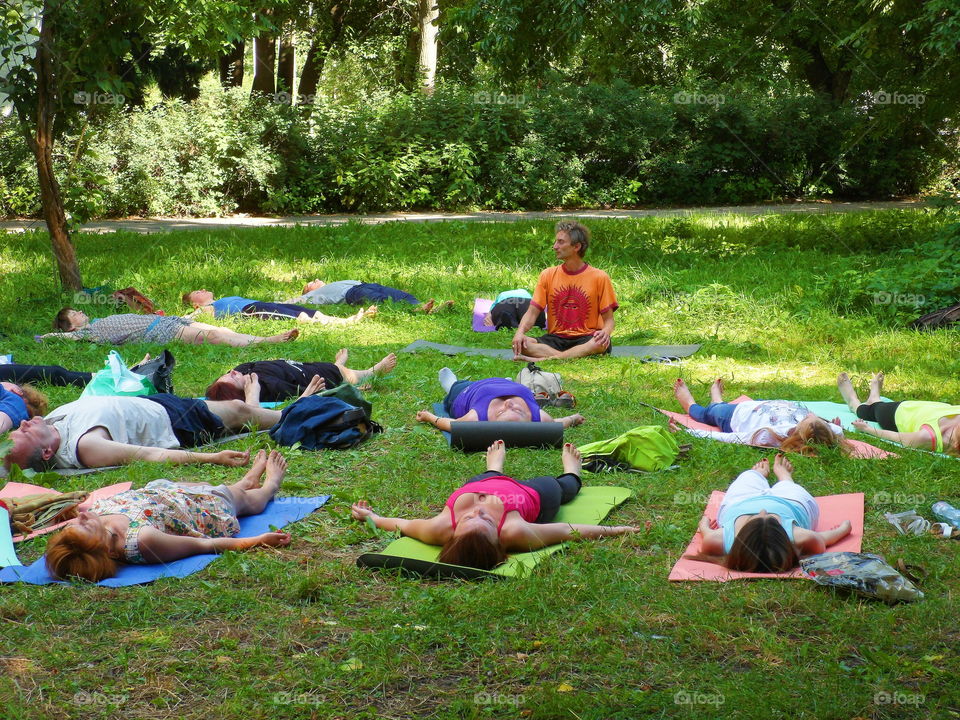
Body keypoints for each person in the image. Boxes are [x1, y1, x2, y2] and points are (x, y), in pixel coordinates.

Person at [351, 440, 640, 570]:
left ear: (453, 532)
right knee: (564, 489)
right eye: (486, 521)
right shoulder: (516, 532)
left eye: (469, 520)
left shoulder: (437, 529)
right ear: (499, 537)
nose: (478, 512)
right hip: (532, 495)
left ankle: (494, 467)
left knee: (483, 481)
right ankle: (572, 471)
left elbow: (399, 524)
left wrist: (370, 515)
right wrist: (617, 529)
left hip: (484, 483)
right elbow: (569, 529)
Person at [44, 449, 292, 582]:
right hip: (202, 510)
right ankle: (269, 484)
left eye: (74, 524)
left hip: (166, 494)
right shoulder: (142, 540)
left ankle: (246, 480)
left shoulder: (91, 528)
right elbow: (203, 545)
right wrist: (257, 540)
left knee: (214, 486)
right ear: (107, 551)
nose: (82, 518)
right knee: (243, 500)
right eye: (84, 526)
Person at [2, 374, 321, 471]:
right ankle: (294, 410)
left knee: (240, 411)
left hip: (155, 404)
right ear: (46, 453)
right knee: (238, 411)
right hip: (176, 422)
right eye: (23, 434)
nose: (23, 426)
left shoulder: (53, 421)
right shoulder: (86, 446)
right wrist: (212, 457)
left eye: (19, 427)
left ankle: (266, 406)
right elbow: (151, 455)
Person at [691, 454, 852, 572]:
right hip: (790, 503)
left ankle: (757, 475)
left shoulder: (716, 541)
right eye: (770, 517)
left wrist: (703, 524)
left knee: (746, 477)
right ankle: (785, 477)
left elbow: (705, 529)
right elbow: (825, 538)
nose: (763, 510)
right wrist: (844, 528)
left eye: (756, 517)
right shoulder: (803, 538)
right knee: (789, 487)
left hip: (739, 503)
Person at [512, 221, 618, 360]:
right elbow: (532, 313)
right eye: (556, 242)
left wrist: (605, 332)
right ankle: (567, 356)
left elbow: (609, 320)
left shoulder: (599, 277)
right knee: (521, 344)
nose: (555, 246)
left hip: (587, 338)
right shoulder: (547, 275)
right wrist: (519, 332)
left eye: (561, 242)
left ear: (576, 246)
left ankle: (546, 358)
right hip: (555, 339)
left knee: (599, 343)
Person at [672, 377, 853, 456]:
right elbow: (835, 431)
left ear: (798, 431)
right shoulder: (831, 431)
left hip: (735, 416)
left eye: (807, 418)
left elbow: (729, 437)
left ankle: (690, 403)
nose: (810, 415)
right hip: (762, 405)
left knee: (708, 413)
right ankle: (717, 401)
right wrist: (834, 427)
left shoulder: (771, 434)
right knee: (719, 407)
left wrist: (690, 432)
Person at [414, 368, 584, 431]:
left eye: (502, 411)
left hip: (467, 392)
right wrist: (572, 419)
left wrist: (429, 417)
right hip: (501, 384)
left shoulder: (477, 416)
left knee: (455, 387)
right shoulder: (536, 415)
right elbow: (557, 423)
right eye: (517, 410)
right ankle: (505, 382)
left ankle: (451, 384)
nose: (510, 404)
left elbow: (452, 425)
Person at [205, 348, 398, 402]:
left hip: (299, 365)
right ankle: (371, 371)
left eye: (226, 374)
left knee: (335, 367)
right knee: (342, 373)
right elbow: (305, 392)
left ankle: (339, 363)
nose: (232, 372)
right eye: (232, 378)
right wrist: (343, 390)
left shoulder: (244, 372)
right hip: (316, 374)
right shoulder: (267, 388)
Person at [838, 371, 960, 454]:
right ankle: (874, 397)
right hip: (920, 407)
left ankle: (853, 402)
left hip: (897, 414)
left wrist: (867, 429)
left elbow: (897, 438)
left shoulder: (929, 438)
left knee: (872, 410)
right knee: (878, 404)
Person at [42, 308, 298, 347]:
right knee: (212, 335)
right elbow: (56, 337)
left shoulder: (98, 322)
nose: (80, 312)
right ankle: (268, 341)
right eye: (74, 314)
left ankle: (260, 337)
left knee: (222, 331)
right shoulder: (87, 334)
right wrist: (47, 335)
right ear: (72, 328)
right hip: (160, 331)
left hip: (169, 320)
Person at [182, 289, 377, 325]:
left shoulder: (220, 299)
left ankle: (345, 320)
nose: (203, 289)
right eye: (197, 292)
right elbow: (191, 319)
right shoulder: (207, 308)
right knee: (299, 317)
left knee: (308, 311)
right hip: (250, 311)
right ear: (195, 303)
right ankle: (344, 324)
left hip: (257, 303)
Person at [293, 279, 452, 314]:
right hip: (353, 294)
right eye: (310, 283)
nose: (316, 280)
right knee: (381, 300)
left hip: (365, 285)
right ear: (309, 291)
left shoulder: (331, 284)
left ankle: (425, 307)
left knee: (399, 294)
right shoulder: (313, 295)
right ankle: (415, 311)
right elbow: (290, 302)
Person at [482, 290, 546, 331]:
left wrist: (489, 316)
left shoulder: (502, 294)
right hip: (526, 302)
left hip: (505, 303)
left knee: (505, 313)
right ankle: (535, 323)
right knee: (530, 314)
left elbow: (491, 311)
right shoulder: (525, 292)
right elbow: (535, 306)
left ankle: (511, 323)